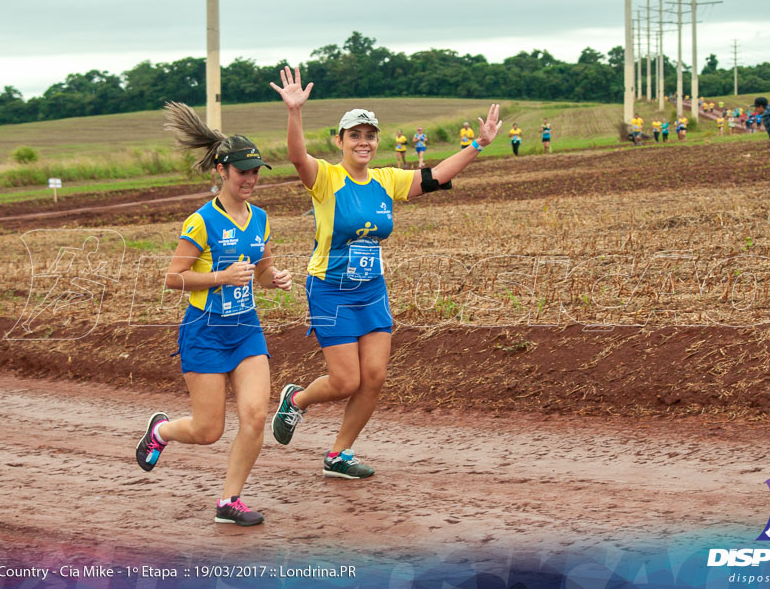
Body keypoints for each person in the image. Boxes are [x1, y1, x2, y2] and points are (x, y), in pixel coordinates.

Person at [268, 66, 502, 478]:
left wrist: (478, 145)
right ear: (339, 141)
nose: (363, 142)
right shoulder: (326, 177)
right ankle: (298, 400)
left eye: (369, 135)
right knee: (344, 382)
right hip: (329, 289)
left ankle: (339, 455)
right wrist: (294, 112)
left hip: (371, 290)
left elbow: (436, 176)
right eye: (354, 135)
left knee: (373, 378)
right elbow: (296, 157)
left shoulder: (386, 180)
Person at [135, 102, 293, 527]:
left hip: (246, 330)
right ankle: (161, 432)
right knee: (208, 432)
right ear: (221, 171)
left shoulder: (260, 219)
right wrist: (221, 276)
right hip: (204, 331)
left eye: (257, 171)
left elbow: (258, 270)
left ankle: (229, 500)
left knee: (256, 415)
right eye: (244, 171)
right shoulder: (201, 221)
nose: (252, 179)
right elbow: (173, 278)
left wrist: (273, 278)